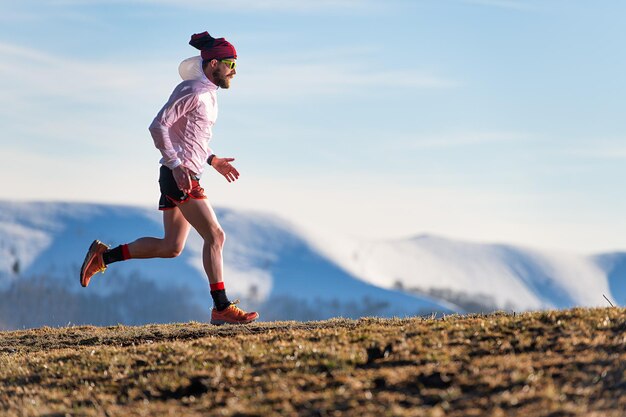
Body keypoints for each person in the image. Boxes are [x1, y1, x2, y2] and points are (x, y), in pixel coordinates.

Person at [79, 31, 259, 325]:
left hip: (183, 172)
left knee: (171, 247)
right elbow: (158, 126)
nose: (235, 70)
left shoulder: (207, 94)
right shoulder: (192, 91)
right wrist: (176, 165)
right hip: (181, 176)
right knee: (216, 236)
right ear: (213, 63)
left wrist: (212, 160)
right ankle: (221, 307)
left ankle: (103, 257)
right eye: (230, 63)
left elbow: (188, 136)